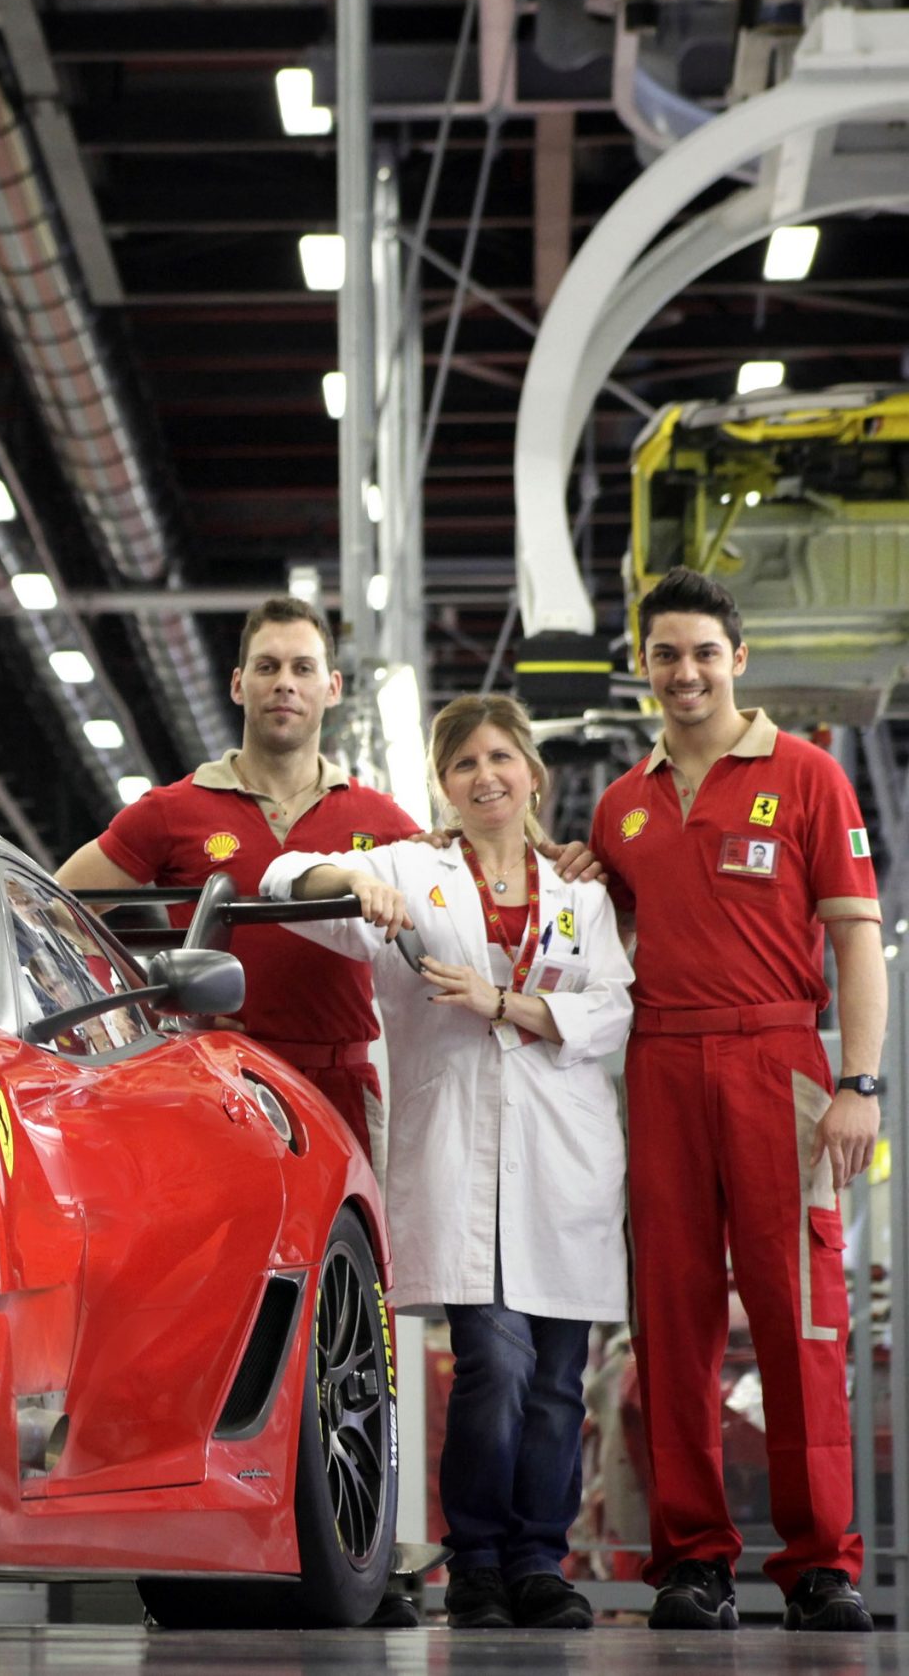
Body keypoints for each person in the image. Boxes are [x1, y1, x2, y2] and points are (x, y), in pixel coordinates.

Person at [264, 693, 631, 1631]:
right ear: (444, 784)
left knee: (557, 1381)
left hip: (565, 1161)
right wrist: (348, 888)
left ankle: (538, 1561)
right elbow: (279, 875)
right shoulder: (412, 871)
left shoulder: (581, 893)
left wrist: (505, 1003)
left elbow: (615, 1012)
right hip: (460, 1152)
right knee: (496, 1365)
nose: (486, 777)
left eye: (502, 757)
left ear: (534, 775)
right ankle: (476, 1559)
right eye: (465, 763)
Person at [588, 566, 886, 1633]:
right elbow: (596, 940)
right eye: (665, 654)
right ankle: (692, 1560)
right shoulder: (619, 806)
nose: (684, 673)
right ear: (644, 667)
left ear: (738, 660)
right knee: (669, 1320)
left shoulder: (806, 776)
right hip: (658, 1065)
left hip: (780, 1063)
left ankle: (820, 1564)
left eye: (703, 653)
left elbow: (855, 937)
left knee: (799, 1312)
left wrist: (857, 1080)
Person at [56, 596, 420, 1153]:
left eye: (303, 668)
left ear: (333, 687)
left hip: (340, 1090)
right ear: (237, 684)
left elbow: (462, 910)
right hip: (213, 1081)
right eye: (267, 667)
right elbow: (52, 913)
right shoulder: (171, 811)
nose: (285, 684)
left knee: (351, 1243)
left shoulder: (384, 821)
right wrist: (144, 1008)